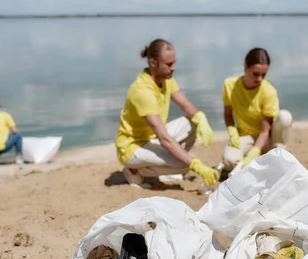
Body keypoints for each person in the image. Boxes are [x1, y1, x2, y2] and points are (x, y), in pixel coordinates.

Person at [115, 39, 219, 189]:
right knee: (185, 164)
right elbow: (165, 139)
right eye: (169, 64)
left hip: (151, 138)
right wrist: (195, 164)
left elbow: (186, 106)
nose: (174, 68)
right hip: (132, 148)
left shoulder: (166, 79)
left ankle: (164, 166)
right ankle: (134, 170)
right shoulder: (142, 91)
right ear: (153, 63)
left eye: (174, 63)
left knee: (191, 122)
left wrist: (201, 118)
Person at [222, 48, 292, 171]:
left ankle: (277, 153)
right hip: (245, 136)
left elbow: (266, 130)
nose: (260, 79)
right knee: (229, 161)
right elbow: (228, 115)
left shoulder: (268, 90)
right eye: (256, 74)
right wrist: (232, 130)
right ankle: (262, 162)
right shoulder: (229, 85)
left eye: (264, 75)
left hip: (267, 138)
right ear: (246, 66)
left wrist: (255, 150)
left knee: (285, 117)